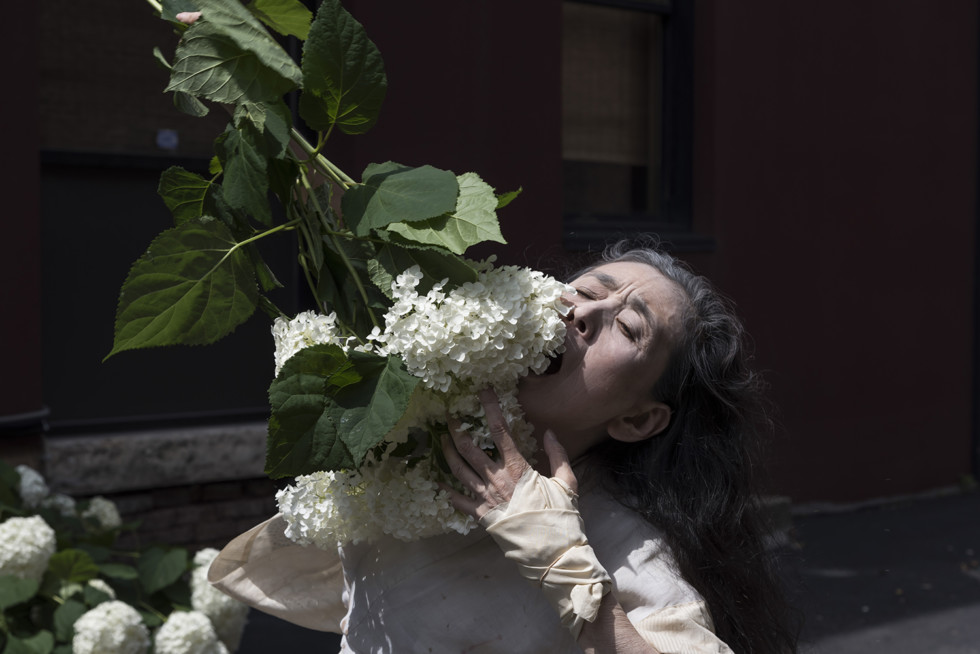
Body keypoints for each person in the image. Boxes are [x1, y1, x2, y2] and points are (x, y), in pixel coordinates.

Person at [209, 239, 799, 653]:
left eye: (630, 327)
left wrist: (565, 567)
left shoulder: (619, 547)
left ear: (639, 419)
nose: (587, 312)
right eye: (590, 290)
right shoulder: (414, 431)